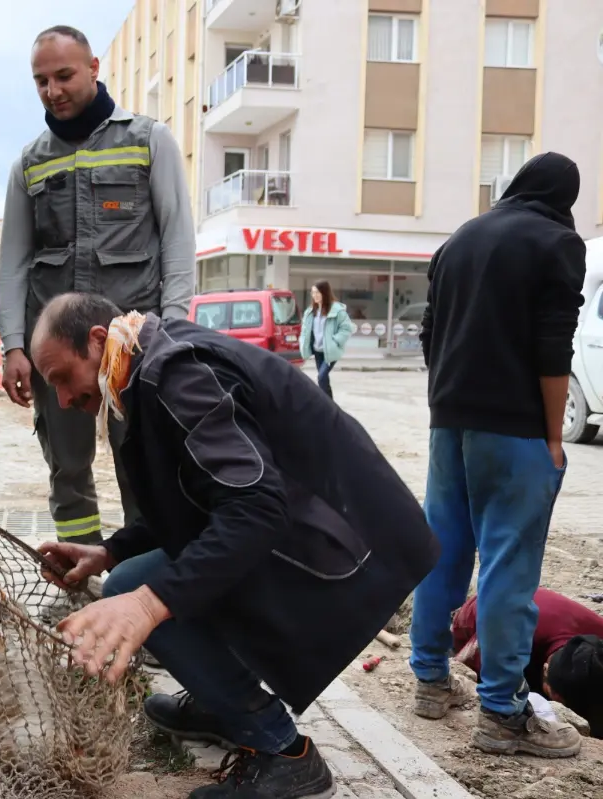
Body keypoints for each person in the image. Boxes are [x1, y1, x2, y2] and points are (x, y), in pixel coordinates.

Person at [30, 293, 439, 798]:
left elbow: (256, 509)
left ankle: (284, 753)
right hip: (320, 529)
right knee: (131, 575)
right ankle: (219, 700)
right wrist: (111, 549)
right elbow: (196, 499)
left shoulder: (176, 374)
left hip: (347, 548)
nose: (65, 400)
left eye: (62, 379)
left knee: (141, 589)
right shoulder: (144, 367)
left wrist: (147, 606)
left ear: (96, 340)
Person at [410, 152, 588, 758]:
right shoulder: (557, 243)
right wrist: (555, 437)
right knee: (509, 569)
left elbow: (430, 332)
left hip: (449, 420)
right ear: (565, 198)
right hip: (514, 432)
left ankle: (430, 683)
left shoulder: (461, 237)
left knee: (444, 552)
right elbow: (552, 348)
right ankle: (501, 715)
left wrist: (449, 396)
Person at [0, 25, 195, 545]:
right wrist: (14, 346)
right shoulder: (29, 162)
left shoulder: (150, 140)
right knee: (67, 468)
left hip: (134, 348)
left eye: (64, 75)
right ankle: (79, 576)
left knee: (144, 464)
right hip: (60, 355)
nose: (53, 90)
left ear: (93, 68)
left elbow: (177, 238)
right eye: (41, 80)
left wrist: (173, 329)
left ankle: (140, 575)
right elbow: (14, 260)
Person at [450, 588, 603, 739]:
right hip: (481, 619)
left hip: (540, 615)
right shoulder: (508, 637)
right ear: (545, 669)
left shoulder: (599, 637)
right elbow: (460, 667)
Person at [299, 280, 354, 400]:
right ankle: (329, 405)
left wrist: (335, 341)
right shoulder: (310, 312)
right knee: (323, 379)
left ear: (325, 293)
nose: (315, 296)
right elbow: (304, 330)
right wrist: (303, 342)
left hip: (330, 351)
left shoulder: (337, 311)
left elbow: (347, 328)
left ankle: (328, 405)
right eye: (313, 293)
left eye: (318, 292)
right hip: (317, 350)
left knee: (321, 377)